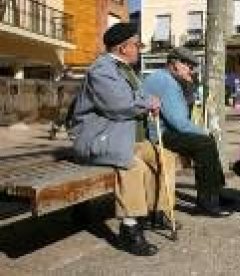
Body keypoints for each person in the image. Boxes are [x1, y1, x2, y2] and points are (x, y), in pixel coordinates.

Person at [70, 23, 174, 256]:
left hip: (122, 137)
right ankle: (129, 230)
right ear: (123, 47)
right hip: (98, 138)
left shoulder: (125, 69)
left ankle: (156, 212)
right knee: (132, 165)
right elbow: (118, 105)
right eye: (136, 45)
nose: (139, 49)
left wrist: (150, 99)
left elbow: (137, 95)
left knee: (164, 157)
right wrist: (148, 103)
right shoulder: (101, 70)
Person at [142, 47, 231, 217]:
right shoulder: (166, 81)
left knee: (206, 140)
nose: (192, 70)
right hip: (160, 134)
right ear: (175, 64)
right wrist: (202, 131)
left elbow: (182, 112)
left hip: (166, 130)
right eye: (189, 66)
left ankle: (215, 193)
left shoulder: (167, 79)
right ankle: (207, 201)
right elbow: (180, 122)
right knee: (204, 142)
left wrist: (189, 86)